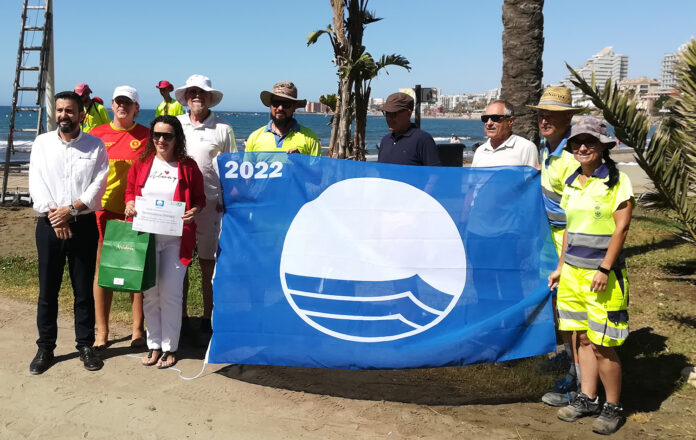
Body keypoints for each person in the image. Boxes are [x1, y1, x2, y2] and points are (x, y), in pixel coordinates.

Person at [548, 116, 634, 435]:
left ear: (603, 146)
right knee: (581, 337)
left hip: (602, 276)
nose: (583, 147)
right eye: (577, 143)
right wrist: (561, 267)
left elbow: (621, 227)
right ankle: (587, 397)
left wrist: (604, 268)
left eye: (590, 142)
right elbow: (569, 227)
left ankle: (613, 406)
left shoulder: (616, 180)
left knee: (603, 343)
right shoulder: (572, 181)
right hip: (572, 274)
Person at [27, 91, 109, 374]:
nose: (64, 115)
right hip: (49, 225)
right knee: (48, 289)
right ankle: (45, 347)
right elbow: (36, 182)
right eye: (60, 110)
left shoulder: (95, 146)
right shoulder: (42, 144)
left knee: (83, 288)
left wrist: (71, 211)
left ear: (81, 115)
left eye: (70, 111)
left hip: (83, 225)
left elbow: (99, 182)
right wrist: (56, 215)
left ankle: (85, 345)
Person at [125, 115, 206, 368]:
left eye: (167, 135)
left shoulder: (188, 166)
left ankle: (171, 347)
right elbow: (130, 191)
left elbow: (200, 199)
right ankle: (154, 345)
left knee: (171, 294)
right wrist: (128, 203)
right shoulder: (141, 163)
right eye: (157, 135)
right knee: (150, 294)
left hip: (176, 241)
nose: (161, 140)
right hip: (145, 239)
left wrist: (195, 210)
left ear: (177, 138)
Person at [529, 86, 584, 407]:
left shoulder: (572, 153)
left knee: (572, 312)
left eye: (552, 114)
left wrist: (566, 258)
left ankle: (577, 378)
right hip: (549, 240)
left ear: (567, 118)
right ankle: (567, 356)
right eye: (542, 113)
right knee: (557, 308)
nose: (545, 119)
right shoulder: (548, 148)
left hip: (570, 241)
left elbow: (577, 208)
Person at [175, 74, 236, 342]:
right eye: (192, 92)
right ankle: (180, 318)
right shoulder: (176, 125)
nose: (197, 96)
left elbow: (232, 171)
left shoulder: (223, 129)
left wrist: (228, 202)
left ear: (210, 98)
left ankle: (207, 320)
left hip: (212, 206)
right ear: (186, 97)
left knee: (208, 265)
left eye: (202, 93)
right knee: (180, 264)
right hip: (179, 206)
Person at [90, 86, 149, 349]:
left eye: (129, 102)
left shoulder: (147, 136)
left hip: (136, 211)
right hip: (103, 211)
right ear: (112, 106)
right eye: (118, 102)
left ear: (137, 107)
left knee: (136, 270)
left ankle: (138, 330)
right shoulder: (96, 134)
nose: (123, 106)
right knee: (104, 271)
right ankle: (102, 332)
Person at [245, 81, 321, 155]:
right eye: (276, 103)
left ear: (294, 107)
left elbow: (317, 167)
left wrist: (301, 160)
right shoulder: (254, 137)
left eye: (286, 104)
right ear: (270, 105)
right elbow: (247, 167)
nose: (280, 108)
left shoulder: (310, 137)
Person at [377, 92, 440, 166]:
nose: (389, 118)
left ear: (408, 114)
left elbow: (435, 174)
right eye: (387, 113)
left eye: (394, 114)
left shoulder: (423, 140)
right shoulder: (385, 140)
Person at [472, 100, 539, 168]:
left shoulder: (526, 148)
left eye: (495, 118)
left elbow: (531, 177)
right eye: (485, 118)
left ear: (510, 121)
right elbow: (472, 178)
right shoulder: (480, 151)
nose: (489, 123)